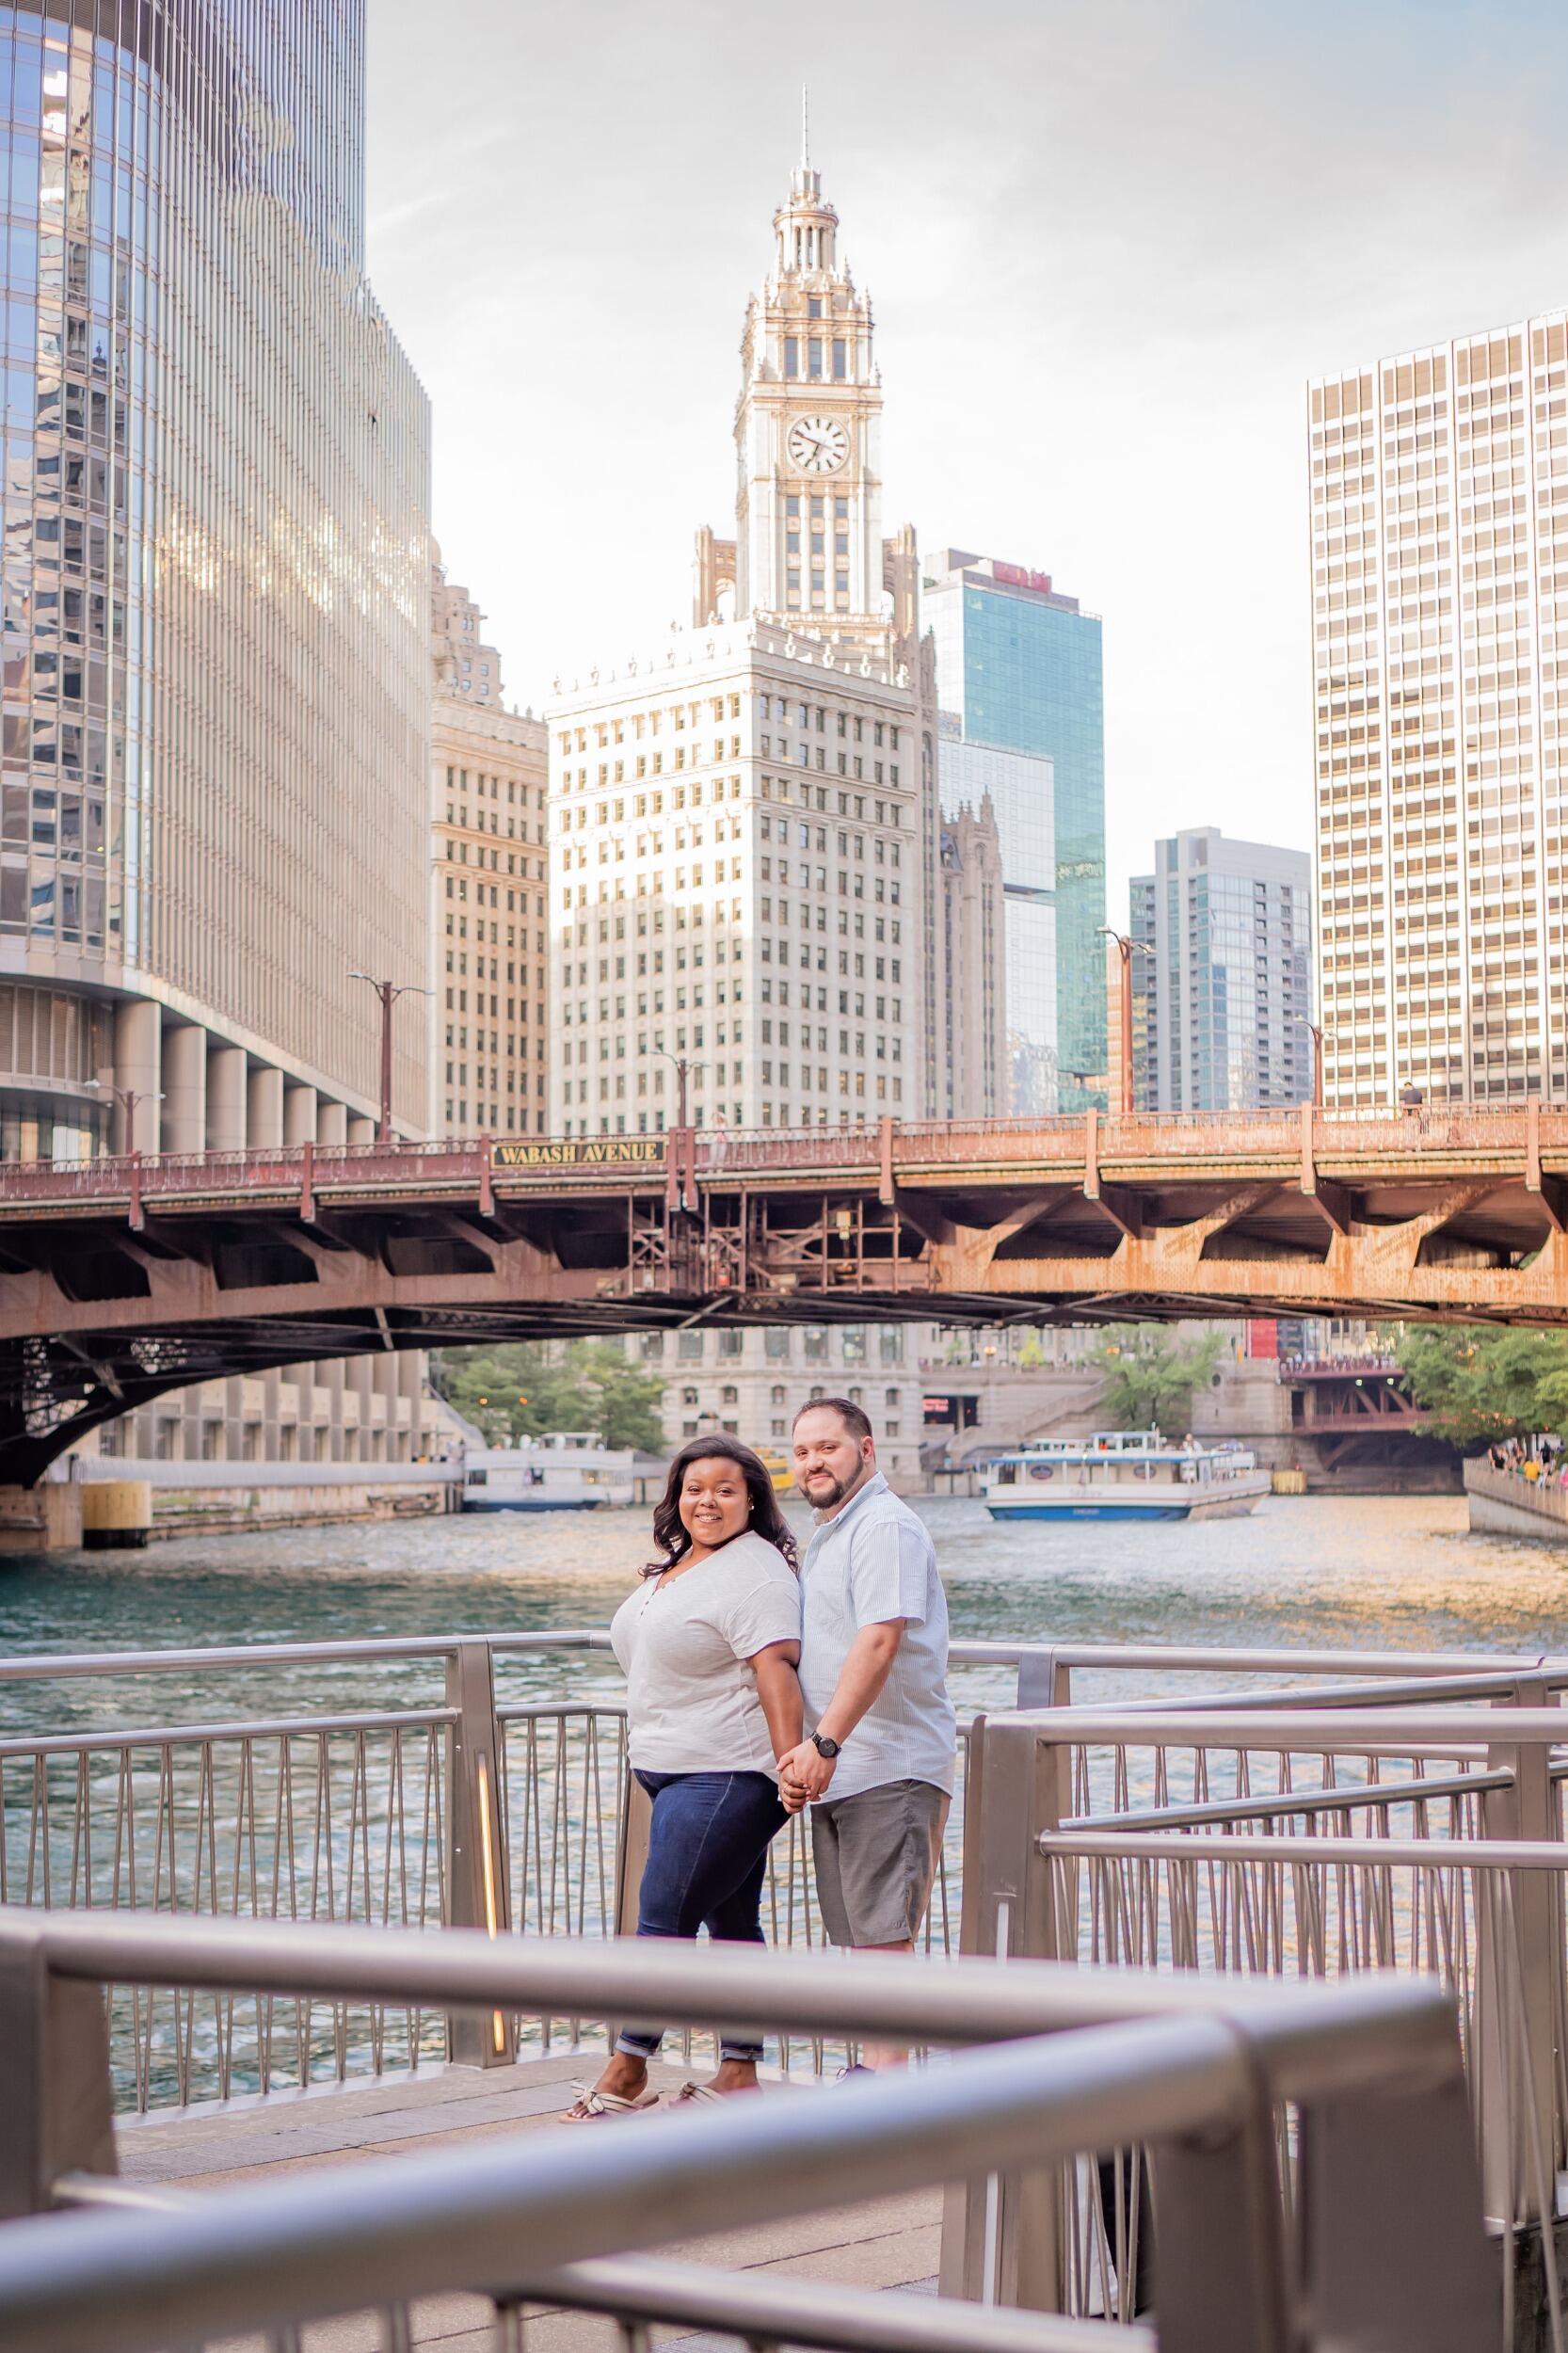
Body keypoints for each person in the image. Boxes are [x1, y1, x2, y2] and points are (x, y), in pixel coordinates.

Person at [564, 1435, 803, 2121]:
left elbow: (776, 1669)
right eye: (695, 1489)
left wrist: (791, 1762)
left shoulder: (755, 1571)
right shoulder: (683, 1564)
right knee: (732, 1920)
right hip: (672, 1770)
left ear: (752, 1499)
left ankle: (628, 2067)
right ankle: (739, 2073)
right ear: (677, 1498)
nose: (708, 1501)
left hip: (728, 1771)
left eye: (726, 1489)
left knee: (662, 1919)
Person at [777, 1399, 956, 2072]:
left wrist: (825, 1743)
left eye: (828, 1447)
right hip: (845, 1767)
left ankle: (888, 2090)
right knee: (864, 1940)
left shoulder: (884, 1526)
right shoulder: (833, 1532)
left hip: (888, 1763)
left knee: (883, 1940)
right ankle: (878, 2078)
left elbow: (881, 1641)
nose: (813, 1463)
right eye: (802, 1452)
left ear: (867, 1449)